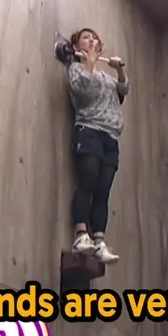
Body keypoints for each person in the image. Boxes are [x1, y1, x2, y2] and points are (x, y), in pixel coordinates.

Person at [60, 27, 127, 264]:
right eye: (86, 37)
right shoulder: (77, 69)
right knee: (88, 179)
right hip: (89, 130)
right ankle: (81, 235)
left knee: (103, 189)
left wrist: (119, 70)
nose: (92, 40)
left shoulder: (105, 77)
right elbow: (82, 90)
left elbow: (123, 91)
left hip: (111, 136)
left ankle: (99, 241)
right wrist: (88, 62)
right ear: (76, 46)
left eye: (95, 37)